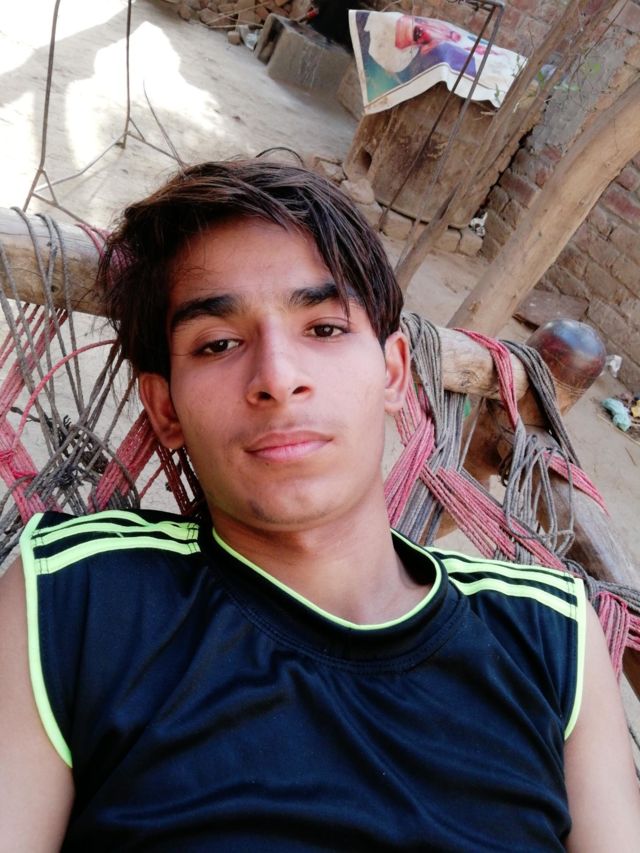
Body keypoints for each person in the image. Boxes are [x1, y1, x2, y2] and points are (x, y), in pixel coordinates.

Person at [0, 159, 638, 851]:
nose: (277, 378)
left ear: (393, 373)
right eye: (218, 343)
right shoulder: (73, 596)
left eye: (325, 329)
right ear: (166, 409)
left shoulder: (550, 634)